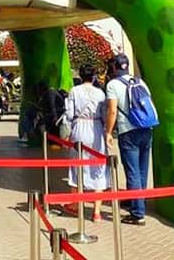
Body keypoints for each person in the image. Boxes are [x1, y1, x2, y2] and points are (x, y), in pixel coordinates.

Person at [105, 54, 153, 226]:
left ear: (114, 68)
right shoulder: (139, 82)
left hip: (128, 131)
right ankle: (138, 201)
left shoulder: (113, 84)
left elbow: (112, 111)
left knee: (132, 172)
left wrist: (108, 132)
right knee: (142, 171)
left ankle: (138, 213)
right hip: (146, 128)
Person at [63, 64, 109, 222]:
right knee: (99, 167)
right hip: (96, 128)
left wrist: (67, 131)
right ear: (94, 76)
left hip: (80, 127)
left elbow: (69, 114)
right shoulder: (100, 93)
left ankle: (76, 204)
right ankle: (97, 211)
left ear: (81, 76)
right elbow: (104, 114)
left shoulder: (74, 91)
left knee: (77, 165)